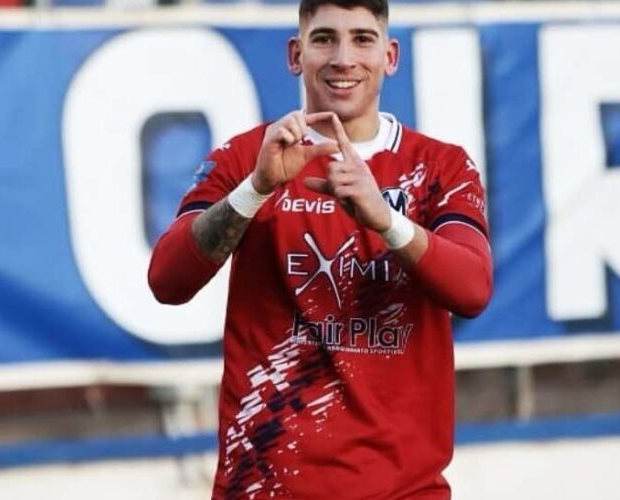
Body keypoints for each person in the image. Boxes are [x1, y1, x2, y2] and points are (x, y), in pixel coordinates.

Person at [148, 0, 492, 496]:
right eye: (325, 38)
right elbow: (167, 281)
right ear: (296, 54)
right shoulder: (249, 157)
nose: (344, 58)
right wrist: (256, 189)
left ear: (391, 56)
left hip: (402, 490)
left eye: (363, 39)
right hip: (263, 488)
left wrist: (386, 220)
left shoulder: (440, 167)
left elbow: (473, 289)